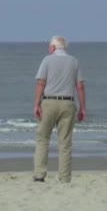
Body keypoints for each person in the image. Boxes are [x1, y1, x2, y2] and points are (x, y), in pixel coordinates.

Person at [32, 36, 86, 183]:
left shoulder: (47, 60)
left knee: (43, 139)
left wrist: (36, 104)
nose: (49, 48)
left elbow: (41, 84)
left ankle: (39, 175)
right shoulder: (74, 61)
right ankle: (64, 177)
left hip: (49, 102)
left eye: (50, 46)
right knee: (65, 142)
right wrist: (83, 108)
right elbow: (80, 86)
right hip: (68, 103)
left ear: (53, 47)